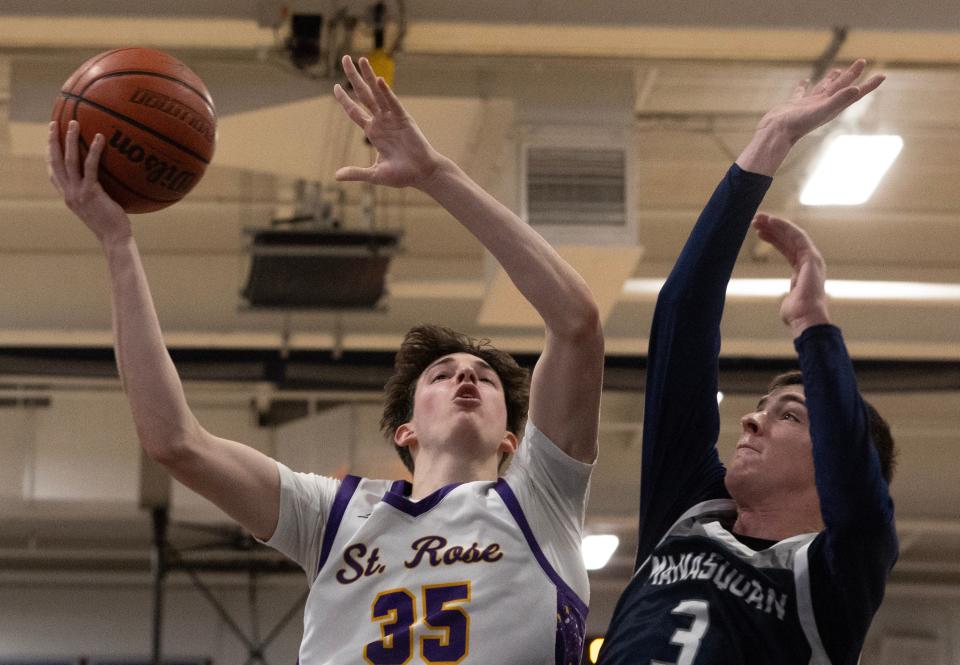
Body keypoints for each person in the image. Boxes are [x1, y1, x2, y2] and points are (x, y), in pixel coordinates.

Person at [47, 55, 603, 664]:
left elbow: (575, 322)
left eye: (486, 379)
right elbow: (176, 441)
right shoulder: (336, 515)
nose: (465, 375)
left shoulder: (540, 500)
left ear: (512, 441)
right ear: (405, 430)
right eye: (441, 375)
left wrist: (435, 173)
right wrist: (117, 242)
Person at [598, 60, 897, 665]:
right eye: (762, 409)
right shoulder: (687, 510)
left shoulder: (838, 571)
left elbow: (851, 465)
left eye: (788, 415)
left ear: (838, 466)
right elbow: (681, 319)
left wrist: (813, 326)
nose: (750, 422)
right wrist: (771, 141)